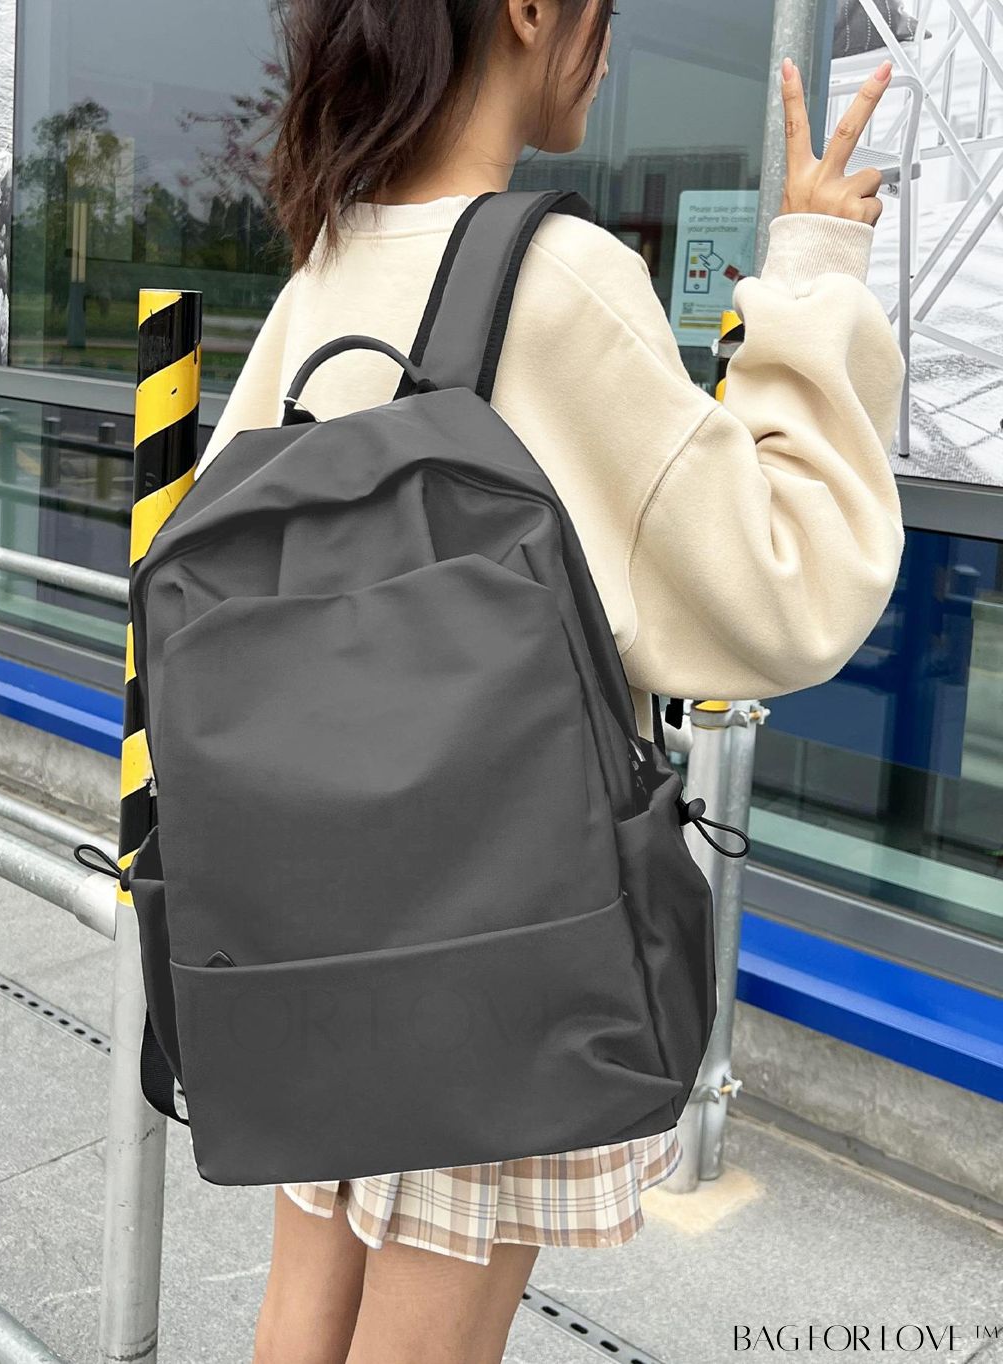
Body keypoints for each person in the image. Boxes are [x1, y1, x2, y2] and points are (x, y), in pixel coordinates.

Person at [195, 2, 905, 1361]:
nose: (613, 45)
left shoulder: (329, 265)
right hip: (500, 919)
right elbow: (781, 585)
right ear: (529, 11)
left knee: (304, 1315)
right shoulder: (559, 275)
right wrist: (814, 269)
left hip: (312, 914)